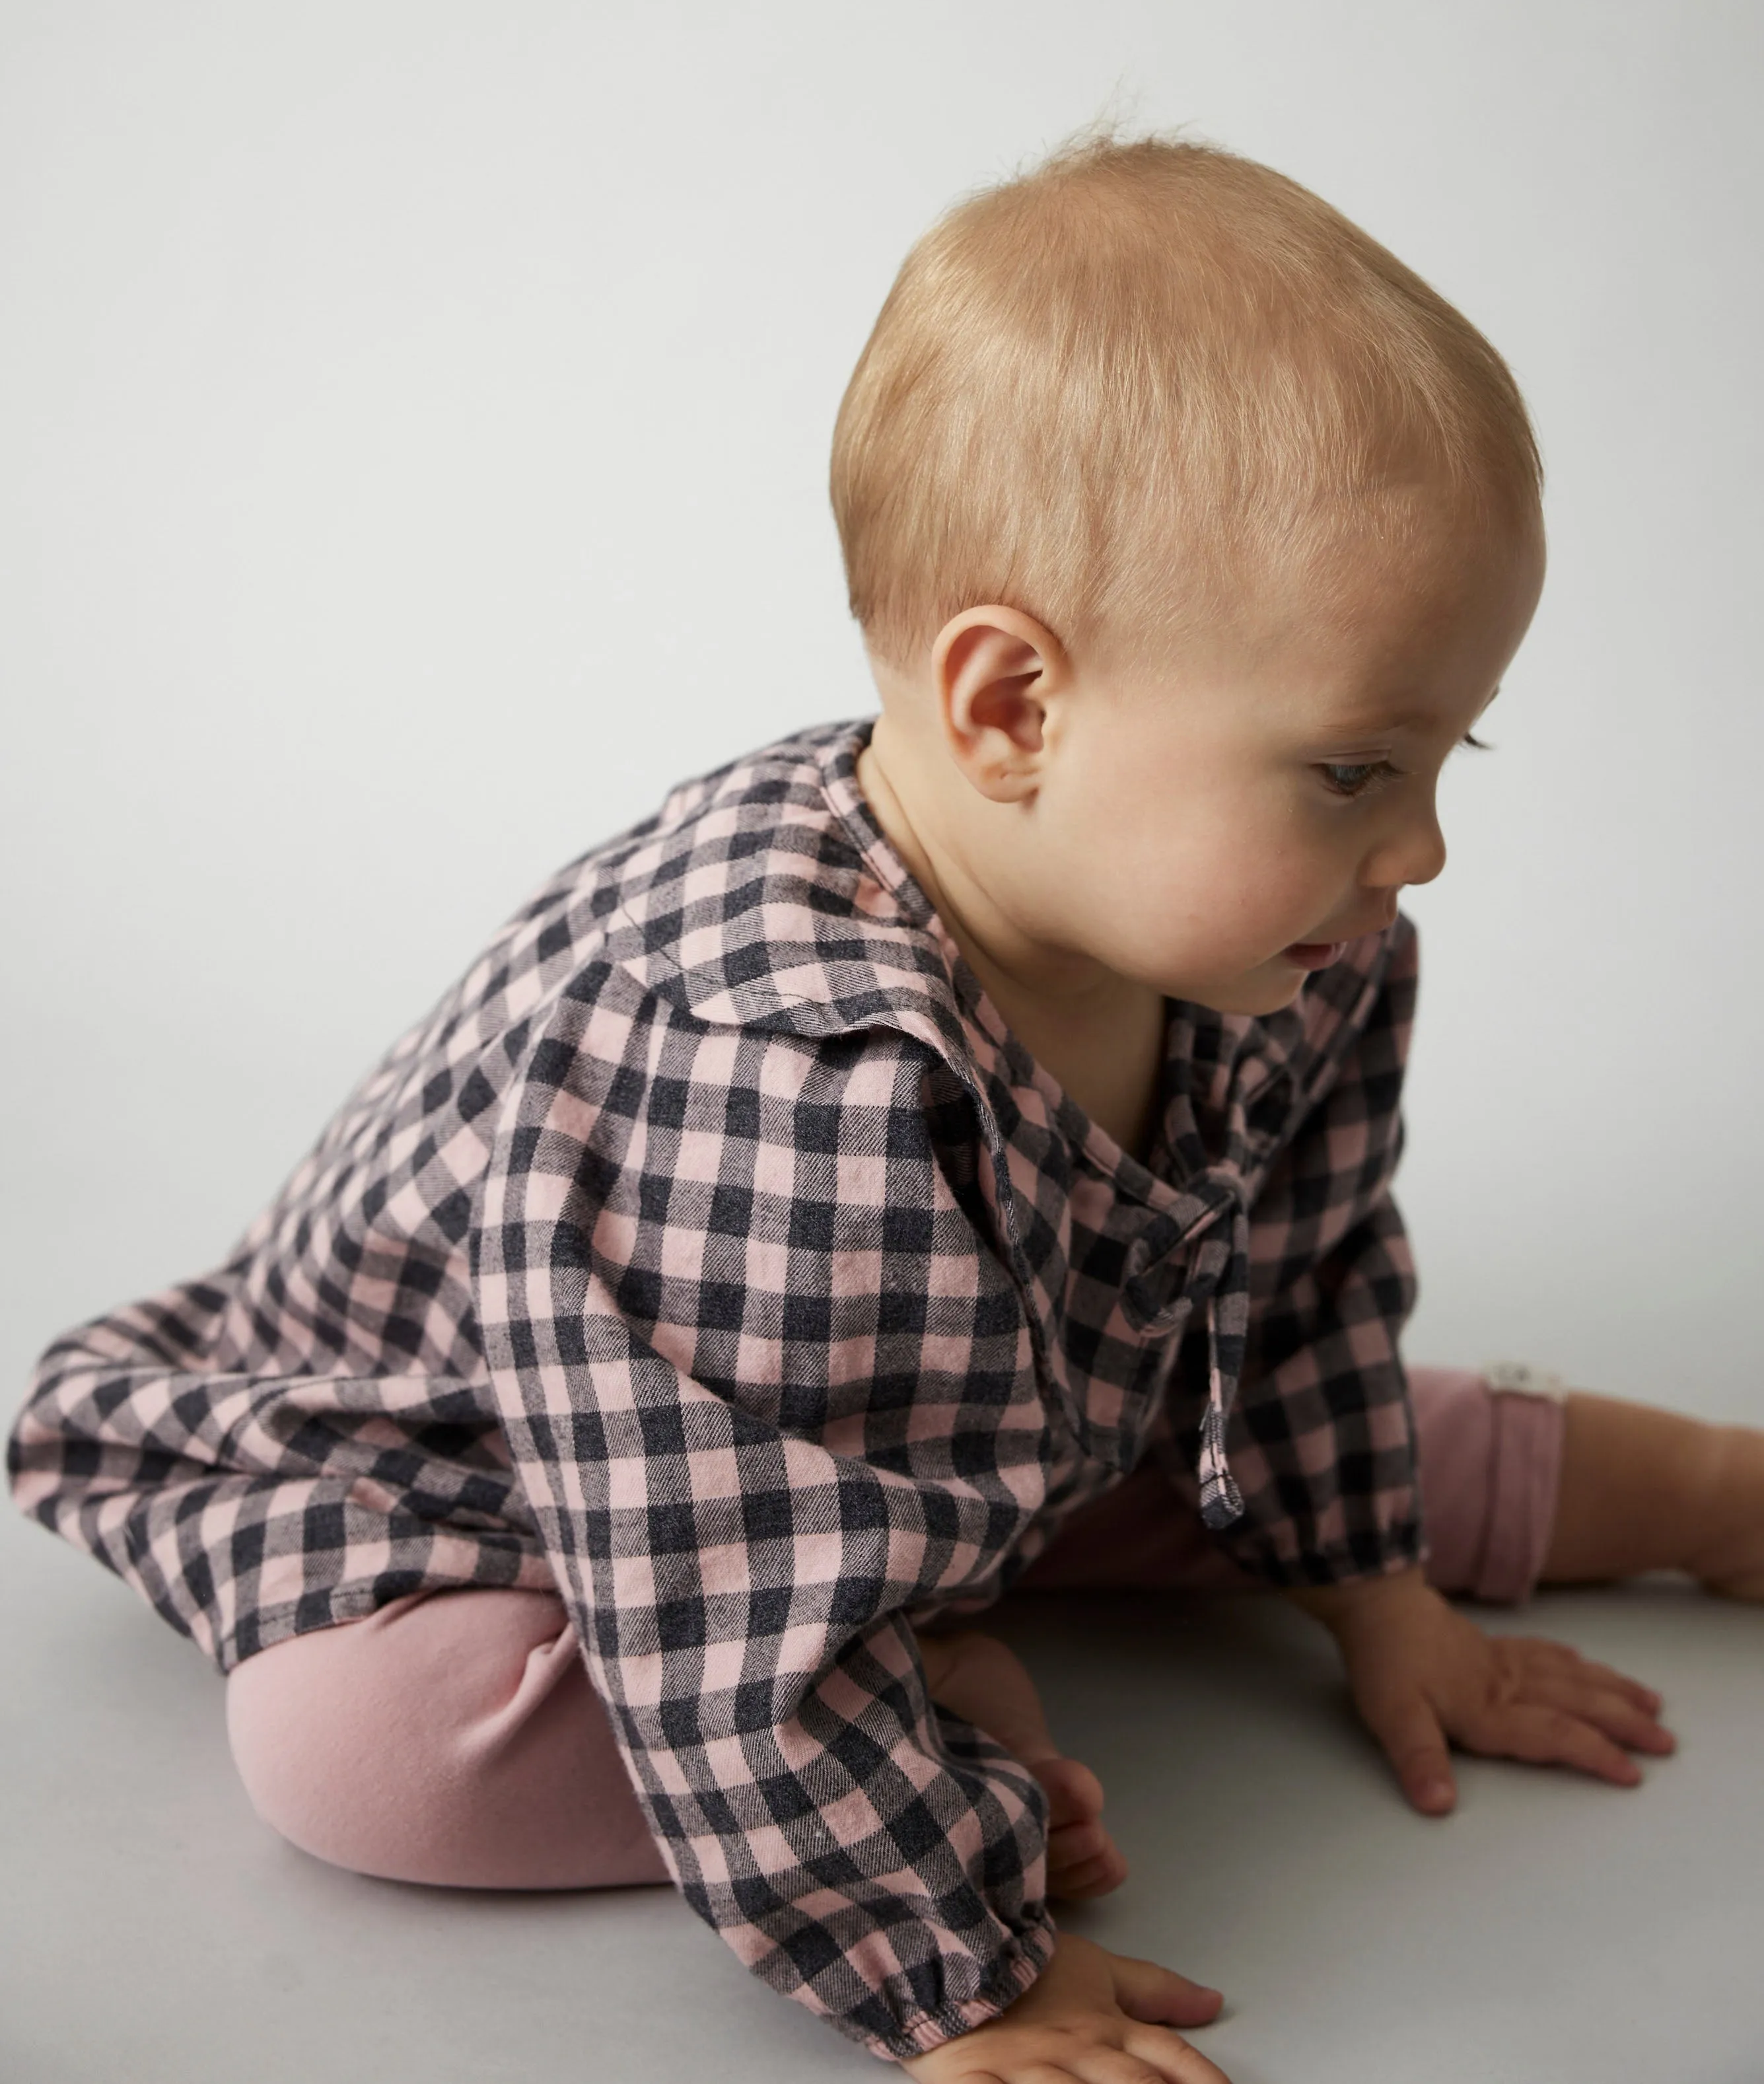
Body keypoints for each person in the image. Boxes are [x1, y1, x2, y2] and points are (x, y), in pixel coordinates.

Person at [10, 135, 1762, 2084]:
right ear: (1011, 706)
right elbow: (704, 1572)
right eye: (1353, 766)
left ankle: (1701, 1487)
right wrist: (956, 1957)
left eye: (1445, 755)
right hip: (506, 1490)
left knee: (1236, 1434)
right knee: (366, 1754)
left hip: (945, 1418)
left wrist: (1372, 1589)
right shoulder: (783, 1077)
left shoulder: (1280, 944)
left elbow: (1293, 1287)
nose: (1420, 846)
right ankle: (908, 1689)